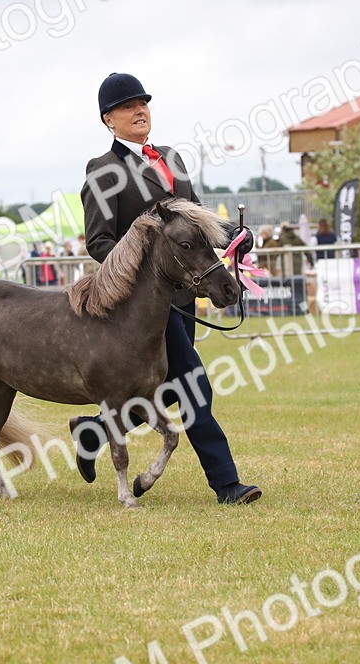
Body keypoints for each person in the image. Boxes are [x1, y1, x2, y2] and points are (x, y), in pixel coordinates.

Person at [73, 72, 262, 505]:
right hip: (144, 306)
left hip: (182, 297)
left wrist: (233, 234)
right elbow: (99, 242)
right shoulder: (104, 170)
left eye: (143, 103)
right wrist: (142, 278)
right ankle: (227, 484)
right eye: (127, 107)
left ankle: (93, 431)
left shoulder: (171, 157)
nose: (139, 110)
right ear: (109, 120)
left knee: (165, 388)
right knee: (194, 386)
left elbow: (193, 221)